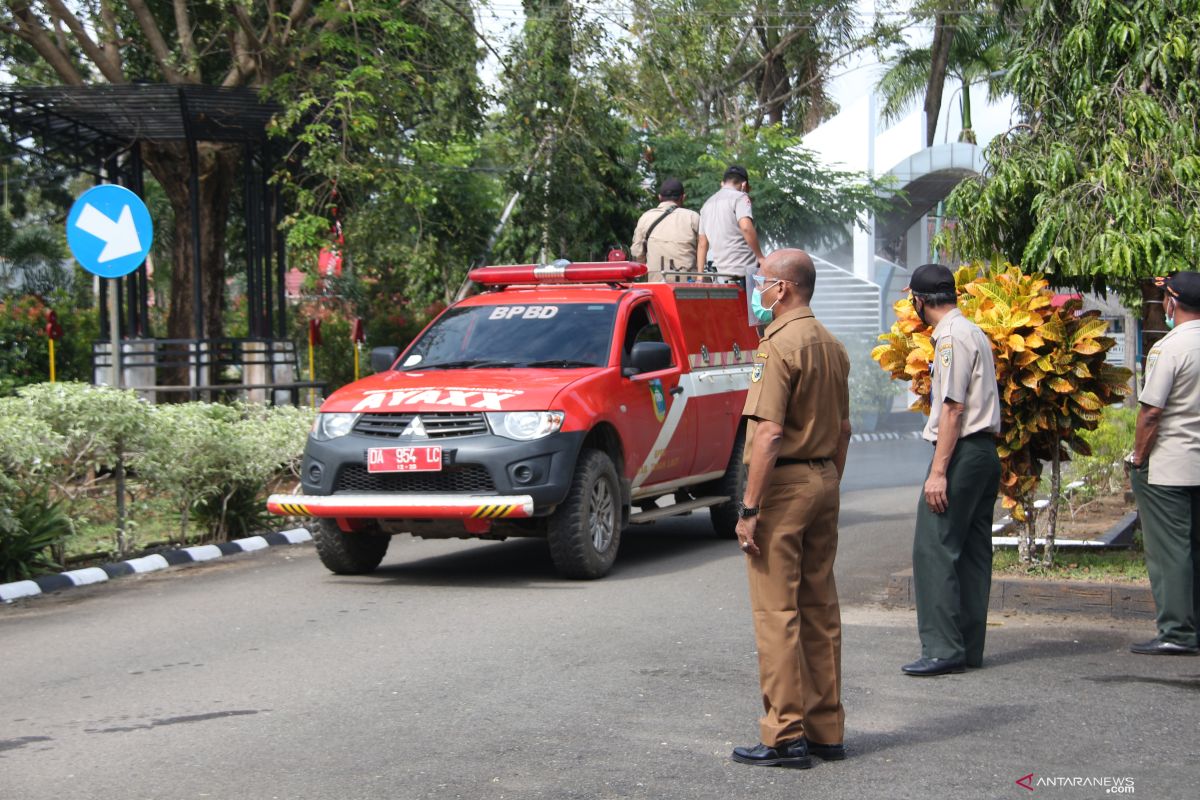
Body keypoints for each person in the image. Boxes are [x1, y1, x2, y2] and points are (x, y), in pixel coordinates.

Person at [731, 249, 851, 769]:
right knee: (820, 608)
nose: (757, 290)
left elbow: (769, 434)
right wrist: (827, 481)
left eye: (762, 281)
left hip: (785, 487)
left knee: (777, 610)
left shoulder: (776, 347)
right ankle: (827, 730)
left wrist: (750, 507)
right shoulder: (832, 344)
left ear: (783, 289)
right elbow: (844, 429)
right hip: (824, 479)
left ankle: (785, 735)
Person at [901, 263, 1002, 677]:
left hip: (961, 452)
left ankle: (943, 648)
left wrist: (938, 471)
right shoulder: (973, 330)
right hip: (983, 453)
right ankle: (966, 646)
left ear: (920, 301)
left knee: (935, 547)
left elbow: (953, 407)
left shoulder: (949, 339)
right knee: (973, 552)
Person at [1126, 271, 1200, 656]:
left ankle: (1176, 631)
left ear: (1171, 301)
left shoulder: (1169, 347)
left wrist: (1138, 457)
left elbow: (1151, 413)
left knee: (1170, 550)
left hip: (1169, 466)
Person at [697, 165, 766, 324]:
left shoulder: (706, 204)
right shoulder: (740, 197)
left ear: (723, 183)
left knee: (730, 324)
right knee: (758, 325)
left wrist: (700, 277)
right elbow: (746, 227)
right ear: (743, 185)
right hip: (745, 275)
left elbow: (702, 243)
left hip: (720, 277)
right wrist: (761, 257)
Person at [630, 177, 700, 282]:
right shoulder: (693, 217)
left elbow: (636, 252)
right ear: (683, 197)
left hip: (656, 282)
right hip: (687, 282)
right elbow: (704, 248)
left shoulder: (645, 217)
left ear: (659, 197)